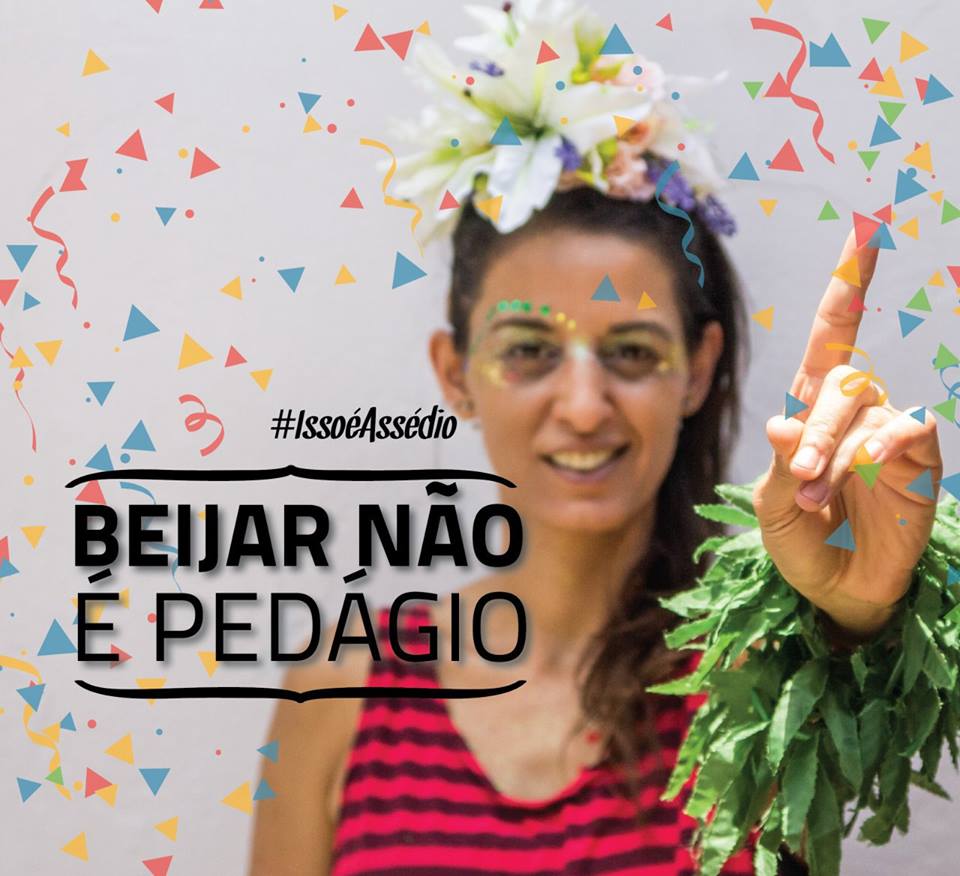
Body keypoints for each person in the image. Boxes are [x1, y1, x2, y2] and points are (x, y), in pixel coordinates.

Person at [248, 3, 942, 873]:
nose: (583, 407)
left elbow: (881, 711)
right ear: (456, 373)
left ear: (697, 369)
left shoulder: (764, 685)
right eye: (529, 350)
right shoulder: (339, 688)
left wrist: (862, 616)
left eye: (632, 351)